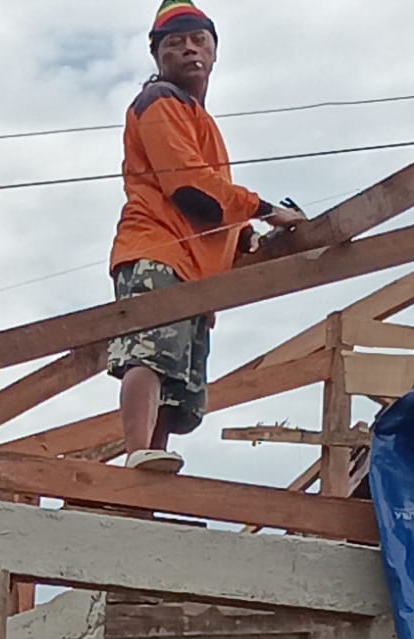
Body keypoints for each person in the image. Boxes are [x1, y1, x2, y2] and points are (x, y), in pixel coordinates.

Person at [109, 1, 303, 473]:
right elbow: (192, 190)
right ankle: (137, 452)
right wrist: (266, 211)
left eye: (200, 41)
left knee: (176, 383)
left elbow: (209, 208)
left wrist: (241, 237)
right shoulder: (159, 102)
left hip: (193, 269)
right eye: (176, 43)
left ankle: (150, 458)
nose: (190, 50)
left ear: (215, 53)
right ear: (157, 57)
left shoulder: (196, 116)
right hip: (158, 250)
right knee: (151, 356)